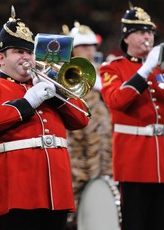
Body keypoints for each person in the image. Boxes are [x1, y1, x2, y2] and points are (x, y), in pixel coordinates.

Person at [0, 6, 89, 230]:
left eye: (29, 52)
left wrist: (57, 95)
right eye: (17, 51)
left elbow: (81, 119)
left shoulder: (46, 85)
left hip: (56, 190)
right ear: (1, 58)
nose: (26, 58)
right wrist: (27, 102)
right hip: (17, 191)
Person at [99, 5, 164, 230]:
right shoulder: (112, 68)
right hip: (133, 161)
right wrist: (145, 70)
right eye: (141, 32)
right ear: (126, 38)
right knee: (135, 224)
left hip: (163, 162)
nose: (148, 37)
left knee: (159, 224)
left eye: (150, 32)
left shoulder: (162, 70)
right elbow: (116, 100)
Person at [61, 21, 113, 229]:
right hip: (77, 149)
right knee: (74, 199)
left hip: (103, 148)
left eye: (92, 45)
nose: (90, 50)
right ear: (73, 49)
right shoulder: (67, 72)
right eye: (84, 46)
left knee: (101, 198)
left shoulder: (104, 71)